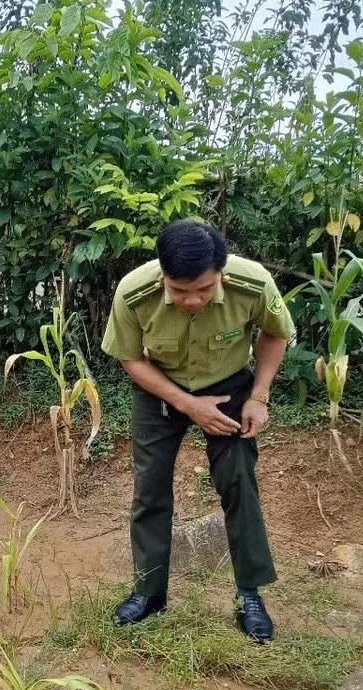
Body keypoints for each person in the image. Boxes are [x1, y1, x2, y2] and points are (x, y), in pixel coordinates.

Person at [101, 220, 295, 643]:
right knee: (150, 487)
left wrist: (258, 397)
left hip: (229, 386)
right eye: (179, 290)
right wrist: (188, 404)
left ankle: (249, 596)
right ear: (163, 275)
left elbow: (276, 333)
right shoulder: (134, 292)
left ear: (221, 273)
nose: (192, 300)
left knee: (238, 479)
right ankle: (149, 592)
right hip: (161, 388)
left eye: (205, 289)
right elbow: (131, 359)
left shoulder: (253, 284)